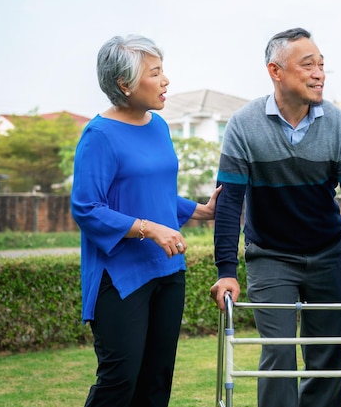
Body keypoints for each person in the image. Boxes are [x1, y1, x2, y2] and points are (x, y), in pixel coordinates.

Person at [209, 27, 341, 407]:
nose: (319, 73)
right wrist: (226, 271)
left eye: (322, 65)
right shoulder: (244, 125)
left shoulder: (339, 125)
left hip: (327, 255)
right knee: (278, 354)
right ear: (275, 71)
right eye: (307, 64)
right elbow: (229, 204)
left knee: (327, 357)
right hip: (270, 257)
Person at [71, 34, 220, 407]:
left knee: (157, 382)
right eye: (155, 73)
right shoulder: (99, 135)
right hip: (120, 277)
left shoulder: (158, 126)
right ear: (124, 84)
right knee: (119, 380)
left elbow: (154, 193)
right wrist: (148, 229)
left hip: (168, 270)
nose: (166, 80)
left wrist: (200, 210)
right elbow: (87, 208)